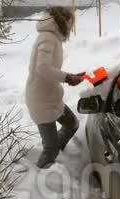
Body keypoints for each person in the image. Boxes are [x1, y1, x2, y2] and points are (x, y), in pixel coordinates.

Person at [25, 6, 84, 169]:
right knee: (50, 148)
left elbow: (49, 68)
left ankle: (58, 152)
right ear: (63, 21)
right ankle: (40, 172)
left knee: (72, 124)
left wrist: (70, 75)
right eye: (71, 23)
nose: (71, 27)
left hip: (51, 97)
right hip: (40, 99)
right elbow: (42, 68)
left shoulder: (53, 37)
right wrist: (67, 77)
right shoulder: (48, 37)